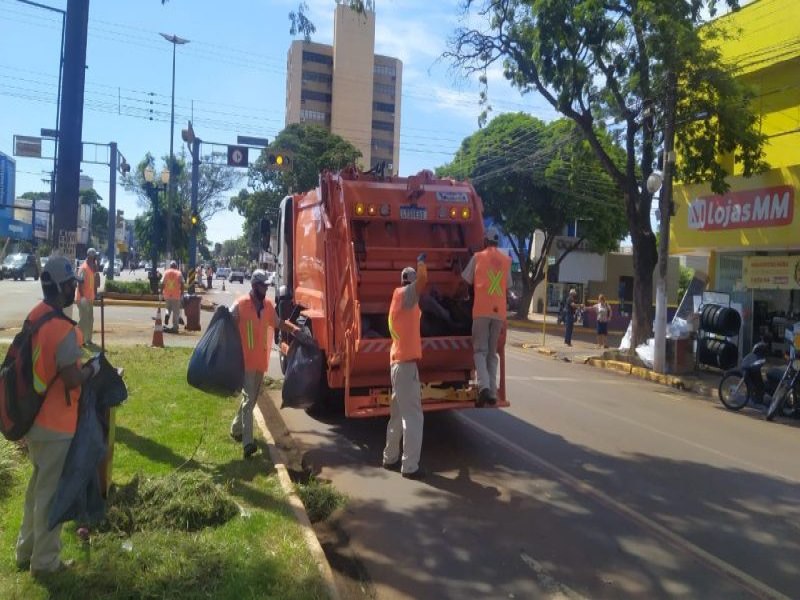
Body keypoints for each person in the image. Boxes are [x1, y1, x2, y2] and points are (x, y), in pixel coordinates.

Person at [15, 256, 100, 576]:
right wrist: (90, 370)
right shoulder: (64, 329)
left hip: (34, 419)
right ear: (59, 286)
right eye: (70, 286)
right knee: (51, 496)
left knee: (36, 491)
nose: (72, 291)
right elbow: (71, 377)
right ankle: (45, 563)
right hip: (56, 424)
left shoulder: (37, 315)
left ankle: (25, 550)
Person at [230, 270, 312, 459]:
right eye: (262, 286)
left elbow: (279, 323)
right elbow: (227, 321)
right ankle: (248, 444)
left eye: (266, 286)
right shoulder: (241, 305)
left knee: (249, 398)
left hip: (260, 360)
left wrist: (296, 330)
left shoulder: (267, 306)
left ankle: (236, 428)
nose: (265, 289)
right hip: (244, 361)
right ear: (253, 285)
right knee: (249, 400)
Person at [383, 254, 428, 479]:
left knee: (397, 413)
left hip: (397, 363)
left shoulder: (397, 300)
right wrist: (422, 264)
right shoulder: (405, 295)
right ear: (408, 283)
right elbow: (421, 283)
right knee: (413, 416)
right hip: (405, 365)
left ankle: (389, 457)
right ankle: (410, 466)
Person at [461, 227, 512, 407]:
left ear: (485, 241)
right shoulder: (506, 261)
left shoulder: (478, 257)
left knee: (479, 351)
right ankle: (491, 391)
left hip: (481, 311)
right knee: (492, 353)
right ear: (497, 242)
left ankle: (483, 388)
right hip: (499, 314)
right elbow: (507, 285)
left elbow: (465, 280)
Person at [75, 248, 98, 347]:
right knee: (83, 320)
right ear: (90, 257)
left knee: (90, 320)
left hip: (90, 298)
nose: (95, 259)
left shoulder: (91, 268)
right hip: (83, 299)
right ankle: (77, 340)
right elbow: (80, 284)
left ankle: (88, 340)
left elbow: (94, 283)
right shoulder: (84, 268)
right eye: (94, 257)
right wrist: (83, 297)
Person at [161, 260, 184, 333]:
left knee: (168, 308)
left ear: (170, 266)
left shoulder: (166, 272)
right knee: (176, 312)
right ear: (176, 266)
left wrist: (161, 292)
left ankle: (167, 314)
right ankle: (175, 327)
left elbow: (162, 283)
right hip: (176, 295)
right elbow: (182, 284)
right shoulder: (179, 273)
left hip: (167, 294)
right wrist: (182, 293)